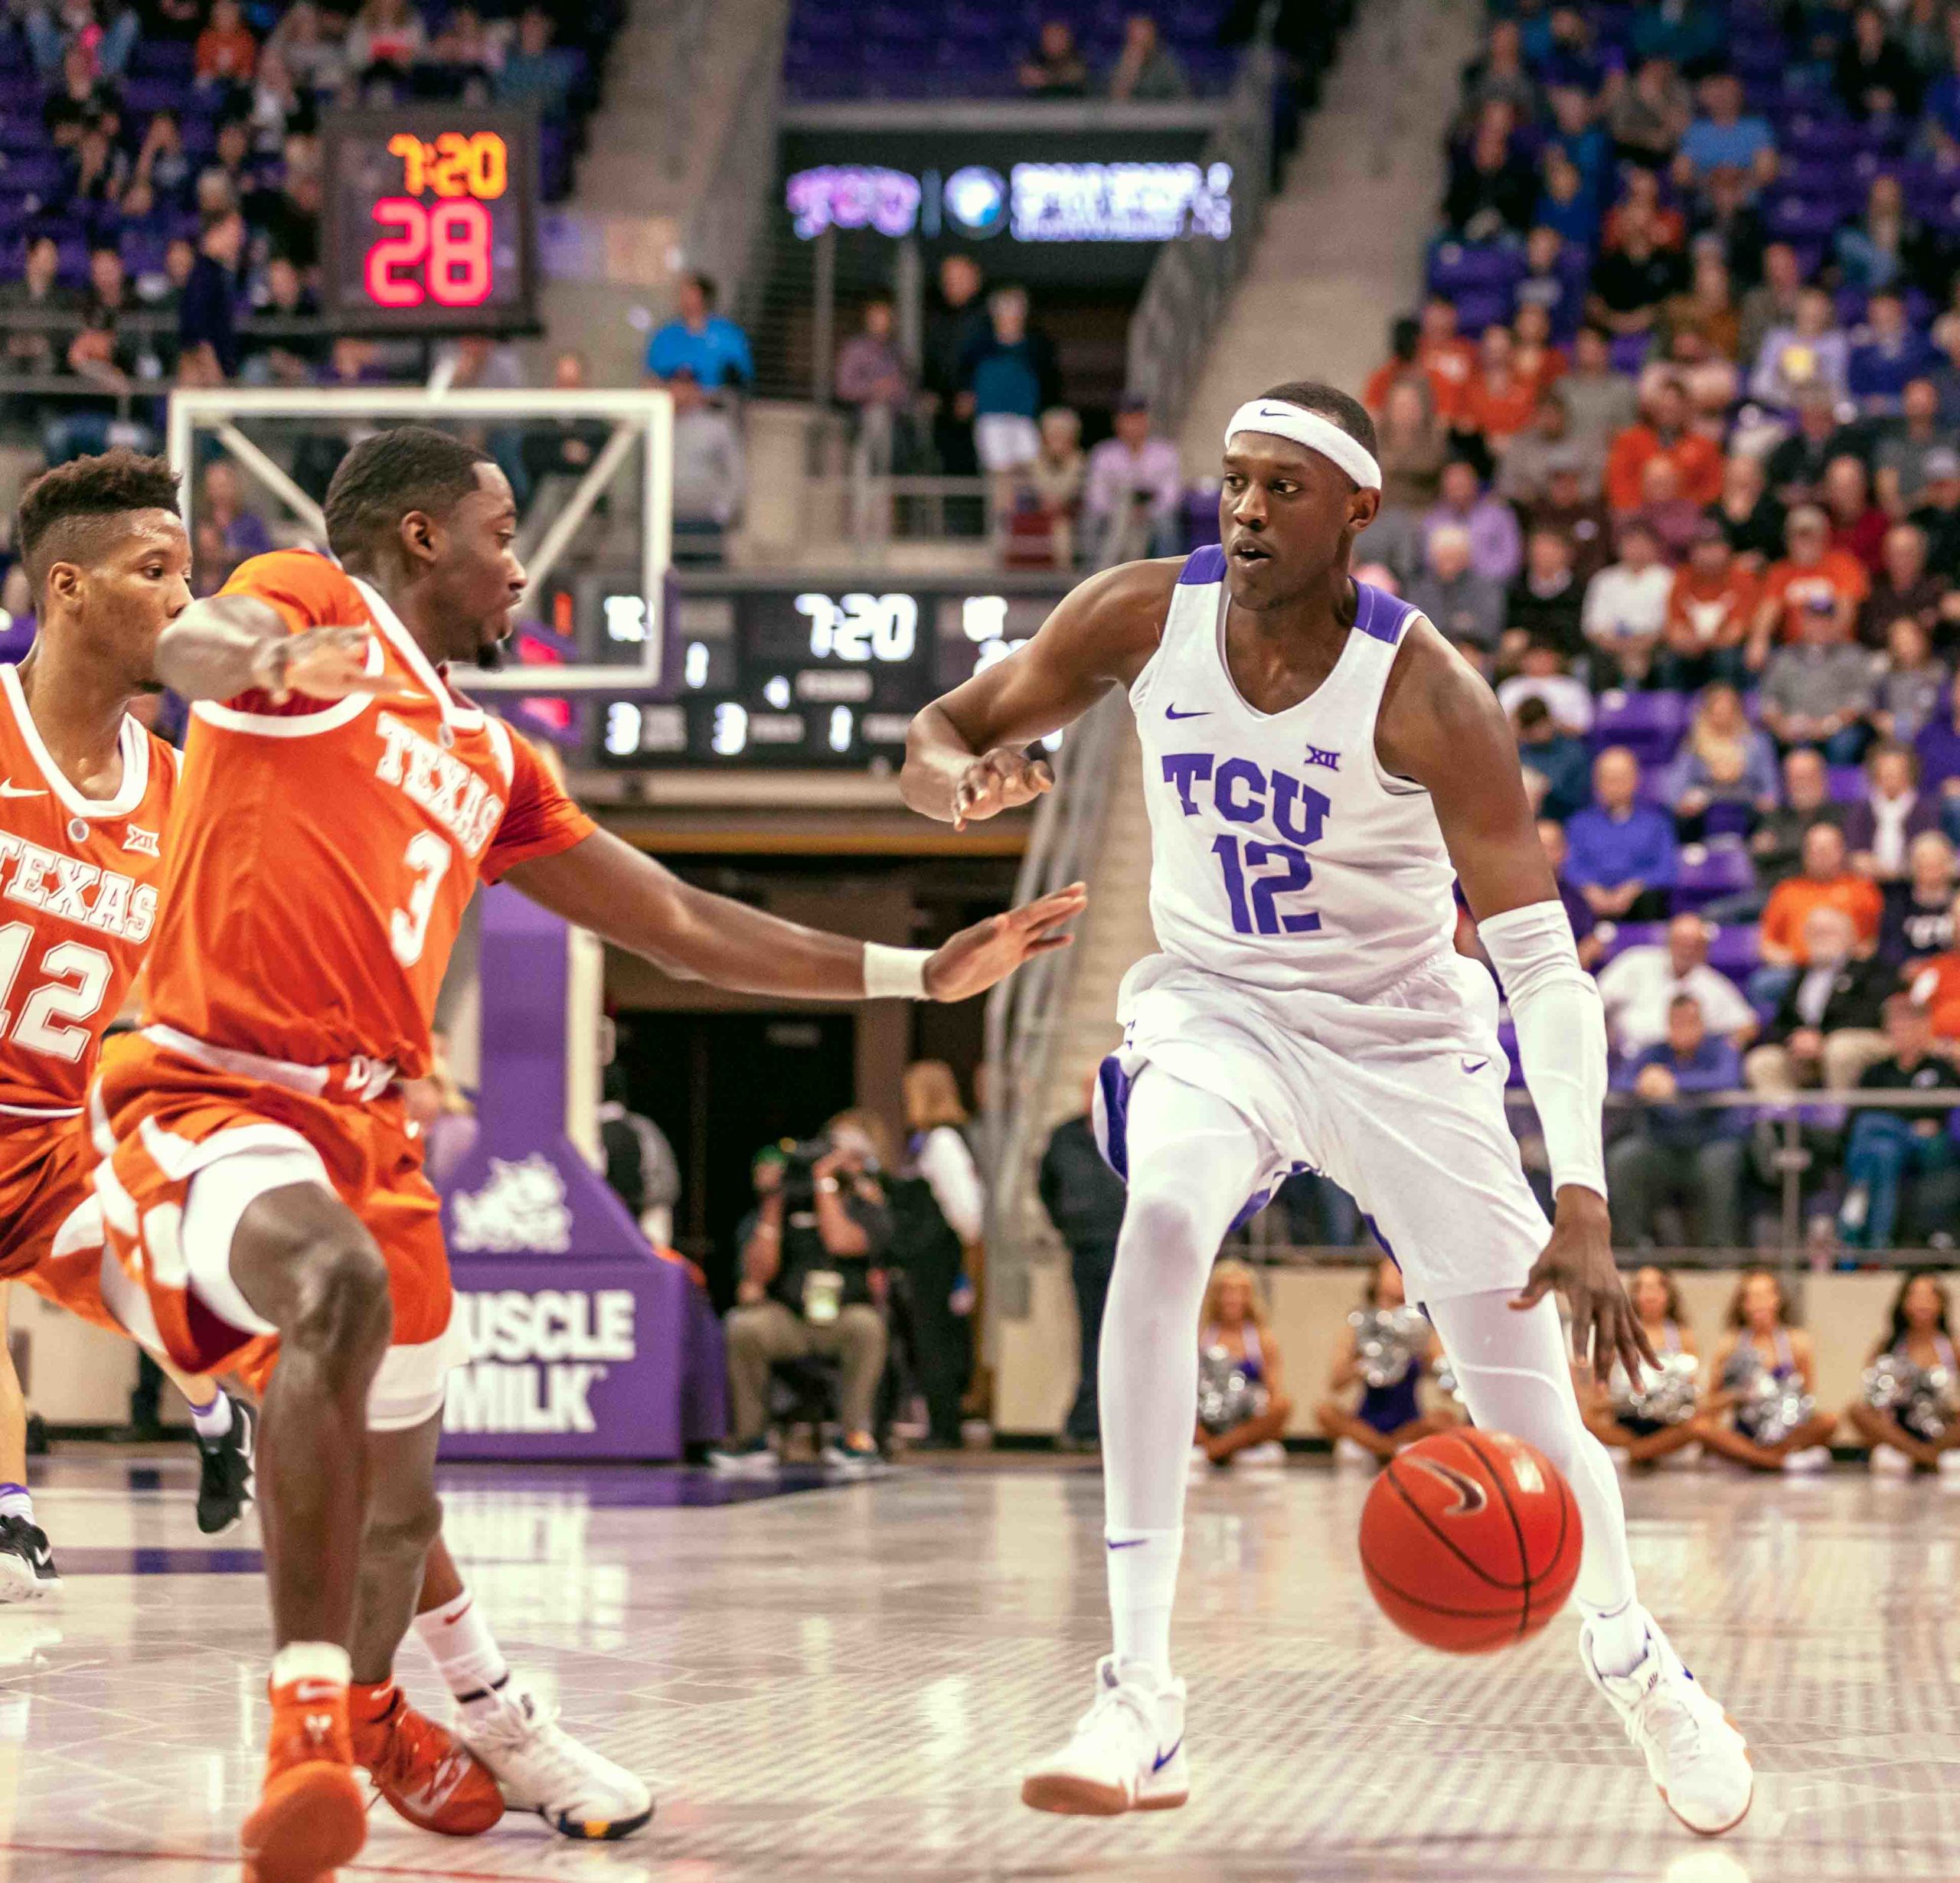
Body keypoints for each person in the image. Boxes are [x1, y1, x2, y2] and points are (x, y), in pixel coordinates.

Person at [101, 427, 1086, 1877]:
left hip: (372, 1131)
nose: (522, 568)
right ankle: (307, 1730)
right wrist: (258, 654)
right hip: (211, 1090)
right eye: (503, 535)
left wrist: (917, 975)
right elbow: (197, 646)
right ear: (422, 537)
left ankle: (382, 1718)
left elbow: (678, 923)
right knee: (333, 1292)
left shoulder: (493, 759)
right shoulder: (312, 599)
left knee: (404, 1511)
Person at [902, 380, 1752, 1831]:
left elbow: (1545, 967)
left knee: (1536, 1421)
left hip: (1403, 1047)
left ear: (1358, 509)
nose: (1247, 509)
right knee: (1161, 1220)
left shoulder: (1429, 692)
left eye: (1282, 487)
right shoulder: (1138, 616)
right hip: (1219, 1014)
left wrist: (1583, 1190)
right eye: (1234, 481)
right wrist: (960, 783)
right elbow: (938, 734)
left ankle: (1636, 1664)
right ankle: (1141, 1696)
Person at [0, 455, 253, 1597]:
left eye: (187, 574)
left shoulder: (183, 790)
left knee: (144, 1292)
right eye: (155, 572)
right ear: (66, 588)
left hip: (59, 1117)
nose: (184, 601)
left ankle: (216, 1418)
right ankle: (12, 1514)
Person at [1608, 995, 1749, 1248]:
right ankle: (1634, 1245)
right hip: (1663, 1145)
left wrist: (1674, 1083)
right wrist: (1642, 1083)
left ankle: (1718, 1250)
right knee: (1624, 1159)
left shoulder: (1721, 1049)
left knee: (1720, 1163)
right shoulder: (1654, 1052)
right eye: (1677, 1022)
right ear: (1668, 1025)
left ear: (1702, 1024)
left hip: (1710, 1143)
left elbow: (1727, 1079)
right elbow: (1619, 1081)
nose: (1683, 1028)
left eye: (1690, 1022)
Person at [897, 1059, 985, 1451]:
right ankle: (940, 1422)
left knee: (937, 1340)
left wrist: (963, 1248)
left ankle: (945, 1427)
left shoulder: (943, 1141)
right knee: (932, 1338)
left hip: (937, 1255)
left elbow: (966, 1207)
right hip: (931, 1254)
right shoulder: (930, 1140)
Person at [1040, 1072, 1127, 1450]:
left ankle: (1110, 1418)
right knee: (1093, 1333)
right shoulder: (1065, 1136)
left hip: (1125, 1245)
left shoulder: (1132, 1129)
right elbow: (1045, 1186)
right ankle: (1090, 1419)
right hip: (1086, 1245)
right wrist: (1066, 1223)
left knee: (1122, 1334)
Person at [1838, 996, 1960, 1250]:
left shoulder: (1940, 1068)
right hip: (1891, 1146)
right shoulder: (1876, 1072)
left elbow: (1941, 1112)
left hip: (1928, 1147)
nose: (1902, 1033)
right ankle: (1880, 1242)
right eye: (1896, 1026)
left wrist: (1893, 1116)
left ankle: (1857, 1196)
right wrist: (1909, 1121)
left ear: (1924, 1028)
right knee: (1883, 1152)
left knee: (1872, 1124)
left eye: (1909, 1026)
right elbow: (1854, 1117)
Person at [1313, 1257, 1458, 1463]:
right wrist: (1364, 1363)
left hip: (1409, 1423)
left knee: (1445, 1419)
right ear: (1377, 1279)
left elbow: (1444, 1377)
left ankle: (1382, 1448)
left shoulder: (1422, 1327)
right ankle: (1390, 1450)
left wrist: (1431, 1359)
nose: (1399, 1275)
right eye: (1393, 1269)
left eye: (1403, 1271)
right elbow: (1336, 1383)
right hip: (1366, 1423)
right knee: (1325, 1412)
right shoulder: (1359, 1325)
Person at [1698, 1271, 1840, 1471]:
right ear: (1742, 1304)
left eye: (1765, 1295)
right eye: (1752, 1297)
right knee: (1699, 1428)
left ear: (1778, 1300)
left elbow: (1807, 1396)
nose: (1759, 1303)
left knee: (1829, 1421)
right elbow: (1710, 1403)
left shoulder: (1798, 1342)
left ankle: (1756, 1458)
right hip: (1745, 1431)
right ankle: (1780, 1462)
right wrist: (1737, 1394)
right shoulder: (1729, 1344)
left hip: (1786, 1430)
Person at [1745, 903, 1893, 1092]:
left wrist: (1821, 1037)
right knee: (1763, 1061)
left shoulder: (1870, 971)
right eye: (1815, 932)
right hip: (1805, 1050)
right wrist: (1794, 1039)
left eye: (1828, 932)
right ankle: (1783, 1111)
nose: (1821, 938)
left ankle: (1838, 1110)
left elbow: (1869, 1015)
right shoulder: (1800, 975)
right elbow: (1782, 1021)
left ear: (1850, 937)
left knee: (1840, 1049)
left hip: (1857, 1041)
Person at [1583, 1266, 1703, 1466]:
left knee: (1699, 1426)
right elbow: (1600, 1388)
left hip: (1668, 1425)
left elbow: (1692, 1391)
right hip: (1626, 1425)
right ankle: (1645, 1449)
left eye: (1657, 1288)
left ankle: (1645, 1450)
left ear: (1669, 1295)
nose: (1650, 1295)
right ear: (1634, 1294)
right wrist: (1621, 1401)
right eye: (1644, 1288)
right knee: (1584, 1419)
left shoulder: (1683, 1337)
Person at [1597, 912, 1758, 1056]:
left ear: (1705, 949)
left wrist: (1721, 1049)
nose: (1687, 950)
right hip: (1623, 1057)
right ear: (1668, 941)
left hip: (1680, 1065)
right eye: (1681, 942)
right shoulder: (1635, 961)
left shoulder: (1713, 984)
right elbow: (1596, 1001)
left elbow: (1748, 1025)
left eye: (1695, 945)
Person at [1844, 1269, 1960, 1468]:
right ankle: (1925, 1457)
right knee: (1857, 1411)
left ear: (1942, 1303)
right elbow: (1872, 1396)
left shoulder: (1953, 1347)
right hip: (1899, 1429)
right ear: (1903, 1303)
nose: (1922, 1303)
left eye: (1929, 1296)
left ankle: (1923, 1456)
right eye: (1916, 1296)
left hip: (1942, 1428)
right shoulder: (1887, 1346)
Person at [1191, 1259, 1291, 1469]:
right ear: (1215, 1296)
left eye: (1240, 1291)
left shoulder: (1263, 1339)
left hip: (1247, 1422)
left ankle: (1217, 1450)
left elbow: (1275, 1393)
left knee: (1283, 1406)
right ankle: (1219, 1447)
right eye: (1227, 1291)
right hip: (1207, 1422)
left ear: (1250, 1297)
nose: (1233, 1298)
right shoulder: (1200, 1337)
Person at [1564, 746, 1679, 920]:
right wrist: (1590, 888)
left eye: (1620, 778)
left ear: (1635, 779)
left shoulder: (1657, 824)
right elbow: (1570, 866)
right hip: (1588, 908)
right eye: (1607, 779)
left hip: (1642, 907)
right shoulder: (1578, 824)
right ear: (1596, 782)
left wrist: (1634, 887)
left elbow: (1666, 868)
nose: (1614, 786)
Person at [1756, 598, 1877, 763]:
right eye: (1813, 620)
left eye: (1825, 621)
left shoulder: (1853, 656)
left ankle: (1837, 780)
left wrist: (1828, 725)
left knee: (1846, 742)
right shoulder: (1785, 657)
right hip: (1792, 728)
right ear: (1803, 623)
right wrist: (1780, 725)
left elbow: (1862, 699)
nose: (1819, 626)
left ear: (1835, 623)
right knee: (1762, 742)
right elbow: (1769, 698)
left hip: (1836, 728)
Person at [1082, 394, 1182, 566]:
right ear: (1117, 423)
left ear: (1146, 422)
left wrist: (1146, 512)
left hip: (1150, 511)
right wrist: (1120, 512)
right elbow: (1096, 496)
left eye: (1137, 420)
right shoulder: (1104, 453)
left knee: (1167, 523)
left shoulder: (1166, 453)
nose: (1132, 426)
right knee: (1096, 519)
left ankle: (1166, 572)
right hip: (1115, 512)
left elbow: (1171, 497)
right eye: (1127, 420)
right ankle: (1098, 570)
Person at [1581, 523, 1673, 683]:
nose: (1637, 550)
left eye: (1643, 544)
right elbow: (1593, 626)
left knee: (1668, 658)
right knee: (1596, 658)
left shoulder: (1668, 579)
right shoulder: (1604, 580)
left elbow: (1669, 624)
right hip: (1612, 646)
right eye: (1631, 544)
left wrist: (1640, 646)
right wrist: (1622, 647)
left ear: (1655, 547)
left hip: (1654, 645)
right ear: (1619, 548)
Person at [1845, 742, 1942, 880]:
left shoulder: (1925, 809)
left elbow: (1931, 849)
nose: (1890, 775)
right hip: (1869, 880)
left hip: (1912, 881)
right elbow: (1854, 850)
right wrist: (1866, 862)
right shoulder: (1862, 809)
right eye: (1885, 770)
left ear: (1909, 773)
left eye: (1896, 771)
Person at [643, 272, 752, 393]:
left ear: (704, 297)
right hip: (671, 395)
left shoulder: (728, 335)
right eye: (682, 293)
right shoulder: (664, 335)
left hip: (713, 398)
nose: (684, 299)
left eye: (690, 293)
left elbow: (740, 378)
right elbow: (651, 376)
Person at [1879, 830, 1958, 968]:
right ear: (1913, 866)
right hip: (1908, 973)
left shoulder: (1957, 902)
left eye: (1937, 864)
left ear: (1950, 865)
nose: (1932, 871)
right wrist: (1904, 965)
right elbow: (1889, 946)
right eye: (1925, 865)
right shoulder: (1898, 903)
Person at [1106, 13, 1188, 101]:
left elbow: (1182, 95)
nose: (1139, 40)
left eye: (1143, 34)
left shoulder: (1166, 61)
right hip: (1130, 109)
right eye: (1135, 35)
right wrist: (1129, 69)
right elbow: (1114, 98)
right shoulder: (1118, 61)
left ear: (1152, 36)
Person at [1019, 18, 1089, 96]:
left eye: (1058, 38)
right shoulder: (1034, 60)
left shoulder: (1079, 59)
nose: (1053, 43)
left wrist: (1047, 78)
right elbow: (1026, 76)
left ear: (1068, 40)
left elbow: (1076, 75)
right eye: (1050, 38)